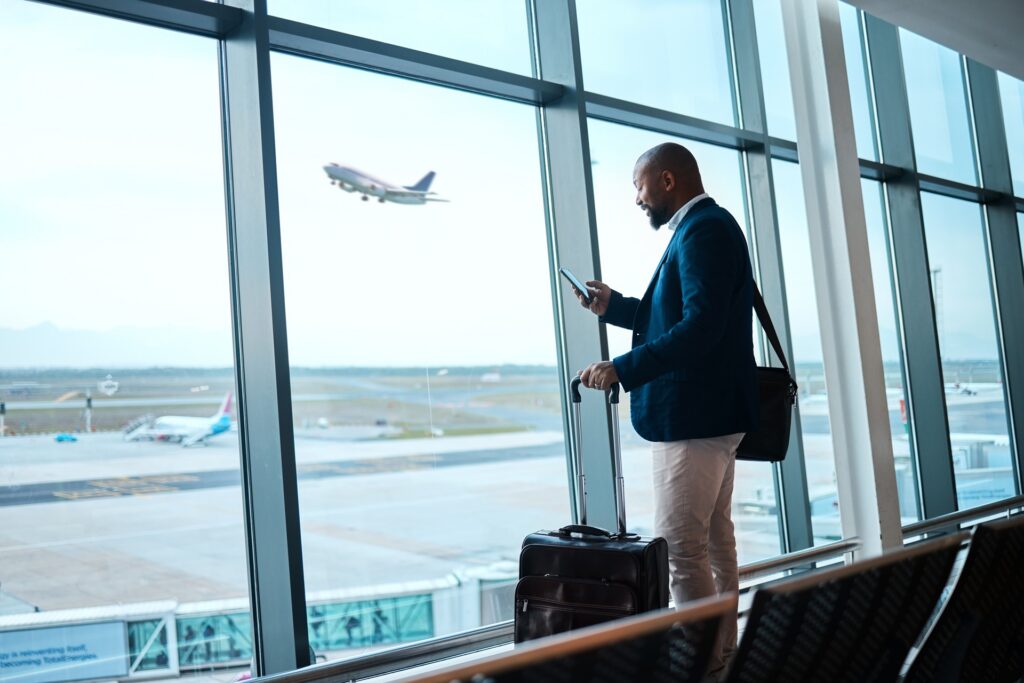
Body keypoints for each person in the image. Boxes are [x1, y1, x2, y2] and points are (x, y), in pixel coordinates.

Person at [575, 142, 758, 677]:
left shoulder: (702, 230)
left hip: (693, 418)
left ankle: (702, 666)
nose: (637, 198)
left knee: (682, 549)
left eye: (639, 185)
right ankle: (722, 655)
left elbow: (700, 328)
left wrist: (624, 367)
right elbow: (675, 315)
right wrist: (617, 308)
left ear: (669, 181)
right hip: (715, 416)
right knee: (716, 543)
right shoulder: (707, 228)